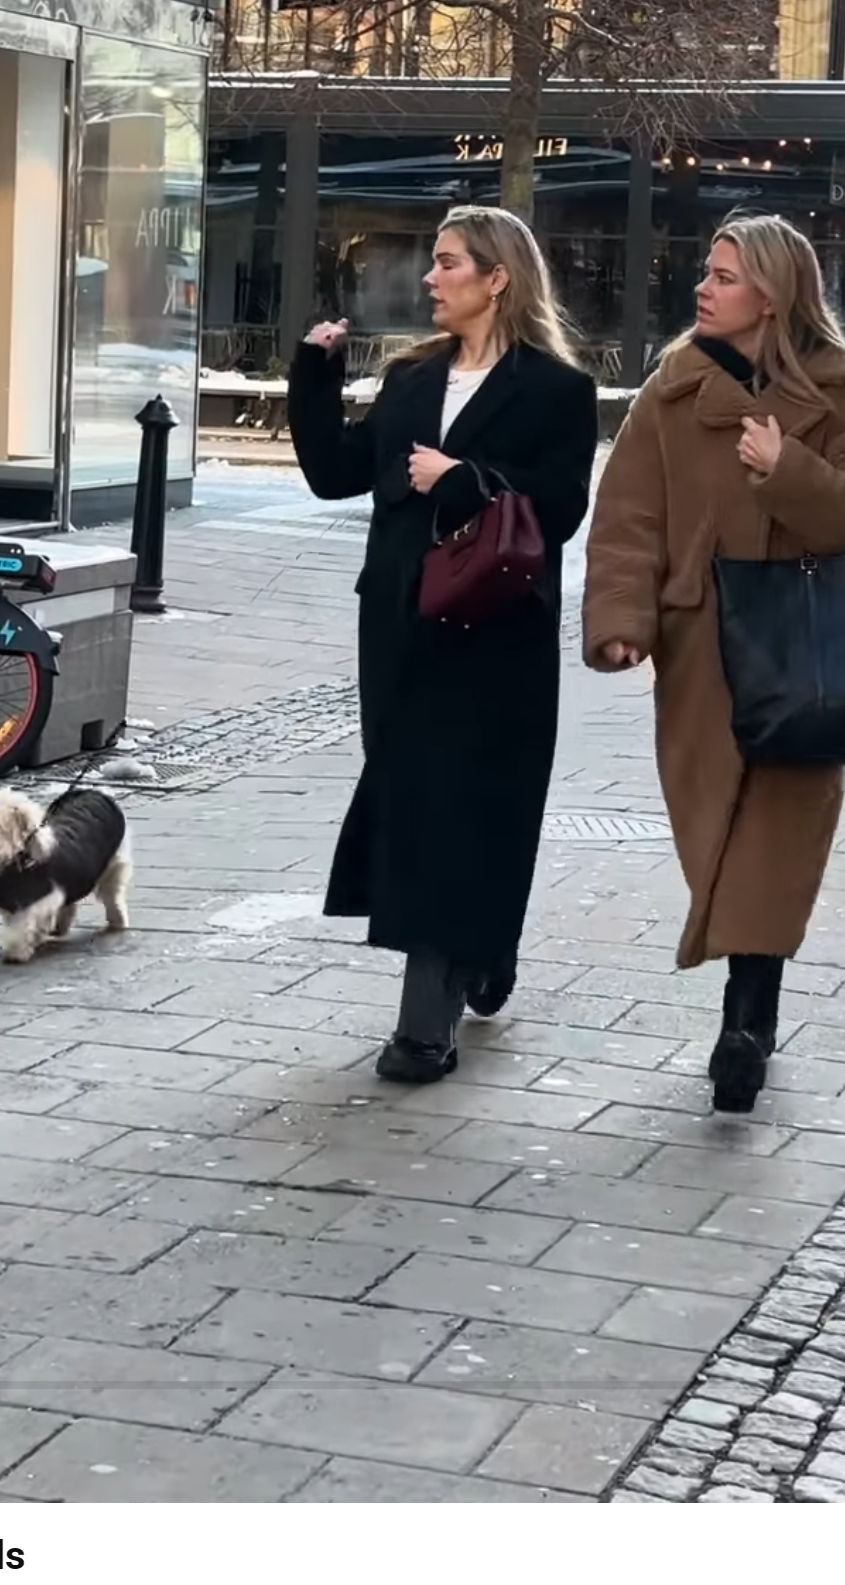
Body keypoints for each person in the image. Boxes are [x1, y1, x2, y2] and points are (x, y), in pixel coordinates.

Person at [581, 214, 845, 1113]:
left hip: (807, 651)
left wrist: (785, 465)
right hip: (700, 649)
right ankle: (747, 999)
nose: (702, 287)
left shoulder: (842, 389)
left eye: (722, 276)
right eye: (706, 272)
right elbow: (627, 518)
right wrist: (621, 620)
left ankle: (746, 1019)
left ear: (770, 293)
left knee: (777, 837)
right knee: (712, 829)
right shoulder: (672, 389)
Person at [287, 205, 600, 1084]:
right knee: (415, 803)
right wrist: (313, 373)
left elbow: (560, 507)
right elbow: (334, 473)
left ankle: (424, 1025)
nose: (430, 277)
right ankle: (480, 947)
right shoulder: (411, 378)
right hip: (398, 627)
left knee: (468, 807)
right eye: (433, 261)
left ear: (496, 278)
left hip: (496, 634)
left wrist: (462, 480)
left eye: (448, 262)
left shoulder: (555, 390)